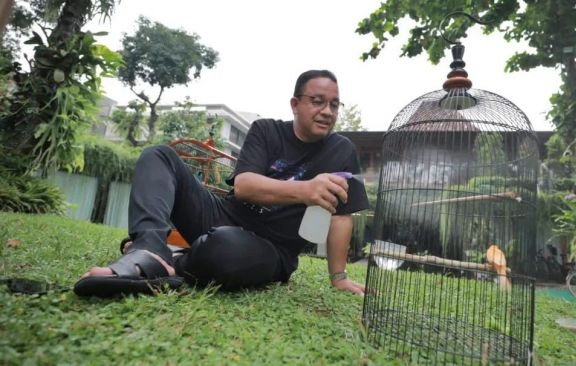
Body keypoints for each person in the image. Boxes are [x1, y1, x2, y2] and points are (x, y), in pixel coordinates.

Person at [74, 69, 370, 297]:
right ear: (295, 104)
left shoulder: (341, 151)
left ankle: (171, 262)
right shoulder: (265, 130)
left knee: (225, 249)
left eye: (334, 104)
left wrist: (339, 278)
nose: (328, 111)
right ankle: (148, 248)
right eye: (317, 101)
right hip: (222, 214)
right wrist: (306, 190)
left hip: (272, 249)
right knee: (159, 156)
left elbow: (342, 217)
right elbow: (244, 186)